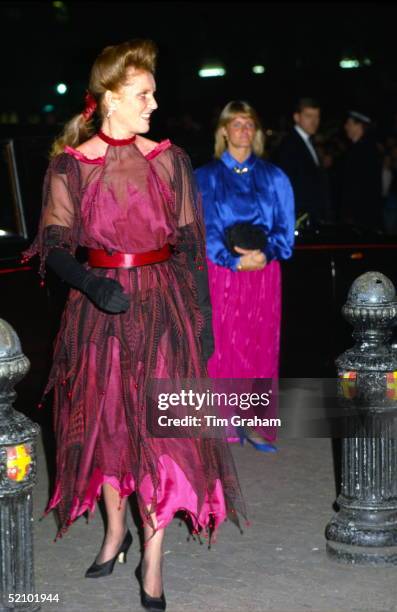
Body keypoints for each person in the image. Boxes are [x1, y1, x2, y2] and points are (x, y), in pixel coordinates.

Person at [22, 40, 246, 611]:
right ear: (112, 98)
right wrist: (92, 283)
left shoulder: (169, 160)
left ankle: (151, 557)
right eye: (143, 93)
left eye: (152, 92)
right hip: (99, 310)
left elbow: (192, 248)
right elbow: (53, 246)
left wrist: (202, 320)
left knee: (162, 430)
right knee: (103, 423)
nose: (153, 102)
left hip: (162, 306)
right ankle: (115, 532)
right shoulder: (72, 166)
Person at [195, 100, 295, 452]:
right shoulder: (204, 177)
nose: (244, 131)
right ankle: (224, 423)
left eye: (249, 124)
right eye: (236, 124)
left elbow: (286, 229)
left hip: (264, 273)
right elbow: (200, 230)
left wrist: (265, 254)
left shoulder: (274, 177)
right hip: (223, 272)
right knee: (223, 344)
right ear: (223, 130)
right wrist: (231, 261)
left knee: (261, 345)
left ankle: (256, 425)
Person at [273, 97, 331, 226]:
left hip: (312, 218)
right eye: (309, 116)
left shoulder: (308, 142)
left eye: (317, 116)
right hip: (301, 219)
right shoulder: (290, 145)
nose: (314, 121)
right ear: (297, 117)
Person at [340, 110, 383, 231]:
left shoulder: (363, 150)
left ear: (359, 126)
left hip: (361, 216)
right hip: (363, 214)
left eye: (349, 123)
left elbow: (359, 186)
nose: (345, 127)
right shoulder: (361, 148)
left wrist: (350, 213)